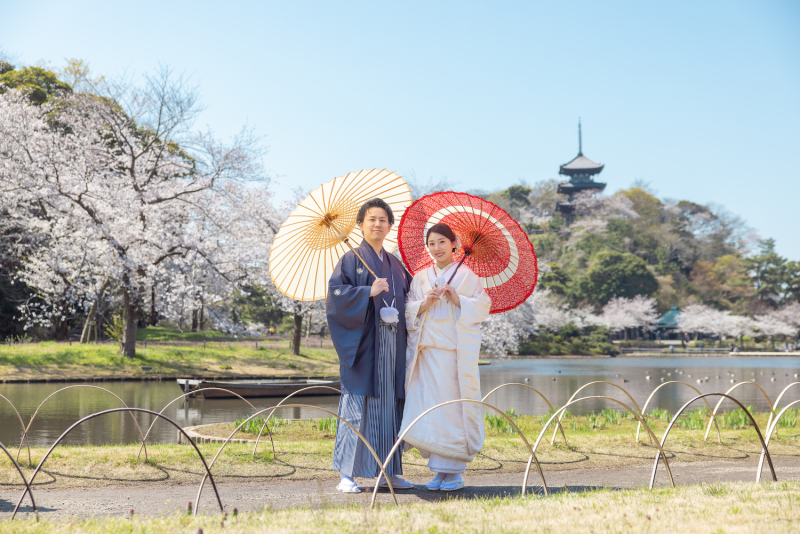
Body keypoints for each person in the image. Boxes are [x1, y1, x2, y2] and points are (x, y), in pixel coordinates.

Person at [326, 198, 415, 493]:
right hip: (365, 345)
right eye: (371, 219)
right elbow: (336, 297)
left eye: (383, 220)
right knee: (357, 405)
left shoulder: (395, 264)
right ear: (360, 224)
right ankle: (347, 475)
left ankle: (389, 470)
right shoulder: (350, 259)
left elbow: (410, 296)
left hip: (393, 346)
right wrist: (367, 291)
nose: (378, 224)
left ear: (390, 226)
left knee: (390, 406)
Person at [400, 223, 491, 491]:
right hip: (426, 353)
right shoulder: (419, 278)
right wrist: (423, 304)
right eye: (431, 243)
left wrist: (459, 299)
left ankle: (454, 473)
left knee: (452, 409)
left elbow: (483, 306)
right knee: (431, 409)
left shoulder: (467, 276)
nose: (437, 248)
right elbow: (408, 309)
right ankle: (439, 471)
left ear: (455, 244)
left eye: (442, 242)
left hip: (452, 354)